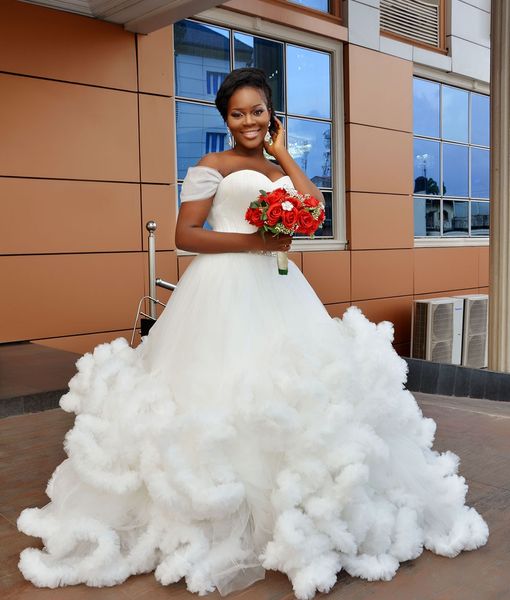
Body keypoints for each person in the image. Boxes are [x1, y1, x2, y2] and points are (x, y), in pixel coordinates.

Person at [17, 68, 489, 600]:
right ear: (225, 117)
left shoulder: (275, 165)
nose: (248, 121)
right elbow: (184, 235)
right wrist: (254, 245)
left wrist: (285, 158)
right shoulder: (210, 165)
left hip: (280, 286)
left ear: (272, 114)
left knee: (289, 392)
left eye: (257, 111)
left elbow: (314, 210)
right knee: (219, 387)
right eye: (237, 113)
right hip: (221, 287)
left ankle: (287, 509)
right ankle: (217, 509)